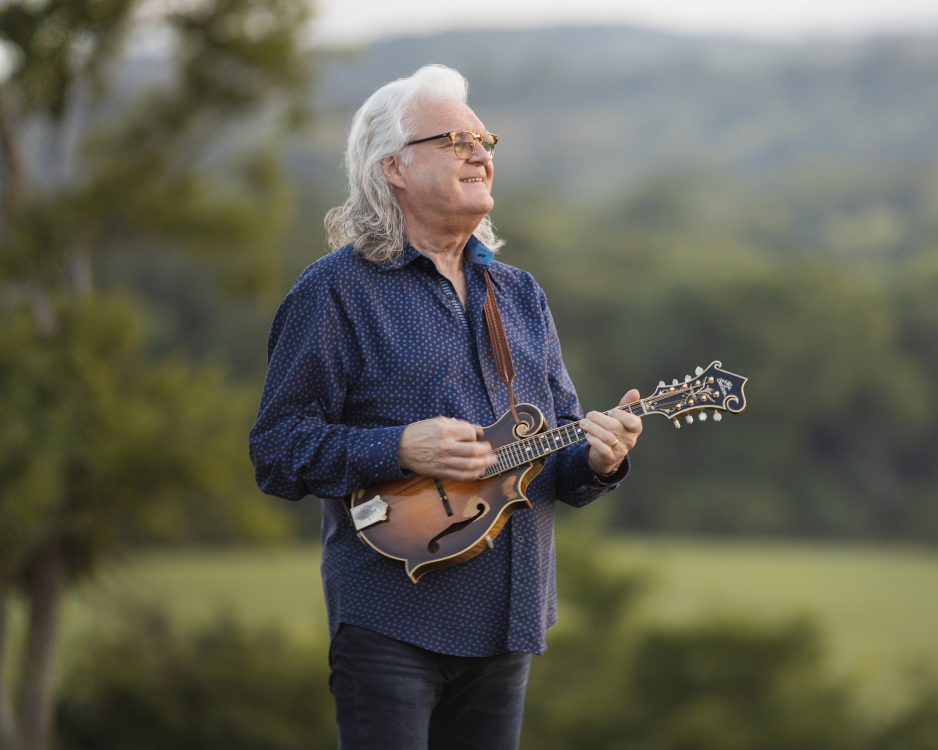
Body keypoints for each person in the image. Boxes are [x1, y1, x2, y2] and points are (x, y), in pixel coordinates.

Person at [249, 64, 643, 750]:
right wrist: (397, 447)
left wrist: (601, 459)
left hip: (509, 621)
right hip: (390, 619)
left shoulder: (520, 295)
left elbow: (558, 464)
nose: (479, 152)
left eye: (483, 138)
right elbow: (277, 450)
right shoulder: (335, 291)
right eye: (454, 139)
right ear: (393, 167)